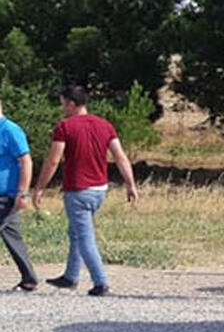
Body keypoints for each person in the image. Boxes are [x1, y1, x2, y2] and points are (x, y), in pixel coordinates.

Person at [33, 85, 139, 296]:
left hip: (78, 190)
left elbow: (54, 160)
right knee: (76, 232)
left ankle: (101, 281)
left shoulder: (64, 127)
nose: (62, 108)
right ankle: (70, 276)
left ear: (72, 104)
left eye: (63, 104)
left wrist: (39, 187)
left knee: (84, 237)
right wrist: (130, 184)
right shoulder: (105, 126)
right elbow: (120, 156)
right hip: (100, 189)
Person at [0, 99, 40, 292]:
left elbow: (25, 161)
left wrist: (22, 193)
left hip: (6, 196)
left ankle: (29, 278)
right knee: (12, 237)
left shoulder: (11, 130)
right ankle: (29, 278)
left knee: (11, 235)